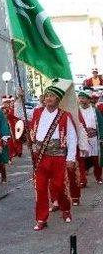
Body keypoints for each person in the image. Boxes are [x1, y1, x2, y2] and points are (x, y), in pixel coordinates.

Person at [28, 79, 77, 231]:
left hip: (58, 157)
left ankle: (66, 208)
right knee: (40, 188)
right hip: (41, 156)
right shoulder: (36, 112)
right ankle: (41, 218)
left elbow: (72, 138)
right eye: (46, 95)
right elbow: (19, 115)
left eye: (51, 96)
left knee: (59, 186)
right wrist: (19, 98)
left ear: (58, 99)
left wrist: (70, 158)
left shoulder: (64, 116)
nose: (48, 98)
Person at [78, 89, 103, 186]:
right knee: (81, 160)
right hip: (82, 139)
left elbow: (100, 124)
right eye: (80, 98)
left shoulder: (95, 110)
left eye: (83, 98)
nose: (81, 100)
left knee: (96, 159)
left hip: (94, 139)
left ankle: (98, 177)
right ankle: (82, 180)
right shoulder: (77, 111)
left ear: (89, 99)